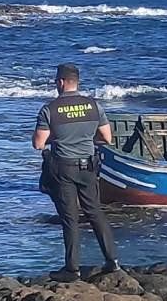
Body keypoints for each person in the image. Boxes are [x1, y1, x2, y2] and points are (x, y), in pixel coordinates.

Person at [32, 63, 120, 282]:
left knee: (70, 218)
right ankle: (112, 261)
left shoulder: (49, 109)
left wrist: (58, 138)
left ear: (61, 82)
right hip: (89, 166)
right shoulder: (93, 106)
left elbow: (38, 144)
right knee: (95, 213)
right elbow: (107, 138)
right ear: (76, 82)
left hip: (64, 167)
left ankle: (72, 269)